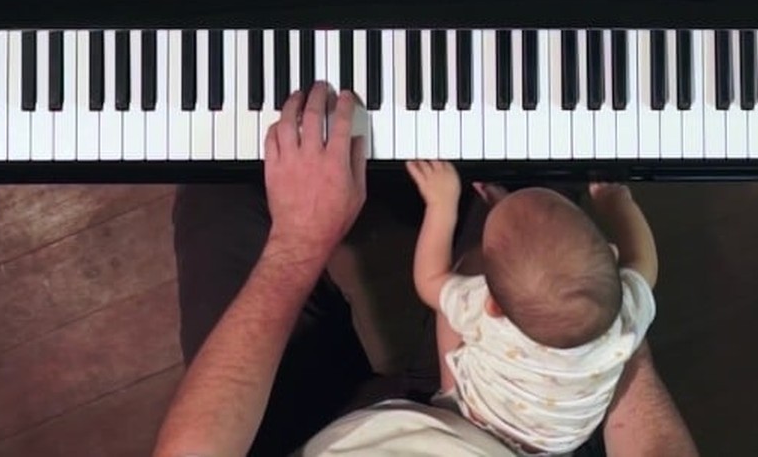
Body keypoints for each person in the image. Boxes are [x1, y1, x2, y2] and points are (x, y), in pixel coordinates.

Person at [152, 81, 700, 457]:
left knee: (217, 184)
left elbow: (434, 283)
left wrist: (299, 242)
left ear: (493, 306)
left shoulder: (483, 310)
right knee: (544, 164)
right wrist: (604, 340)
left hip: (445, 408)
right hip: (520, 437)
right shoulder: (572, 306)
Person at [405, 159, 658, 455]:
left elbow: (430, 280)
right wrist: (618, 201)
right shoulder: (625, 315)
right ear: (611, 257)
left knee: (465, 271)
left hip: (475, 420)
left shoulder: (487, 319)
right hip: (560, 440)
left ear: (494, 306)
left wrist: (441, 204)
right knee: (527, 259)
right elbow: (645, 261)